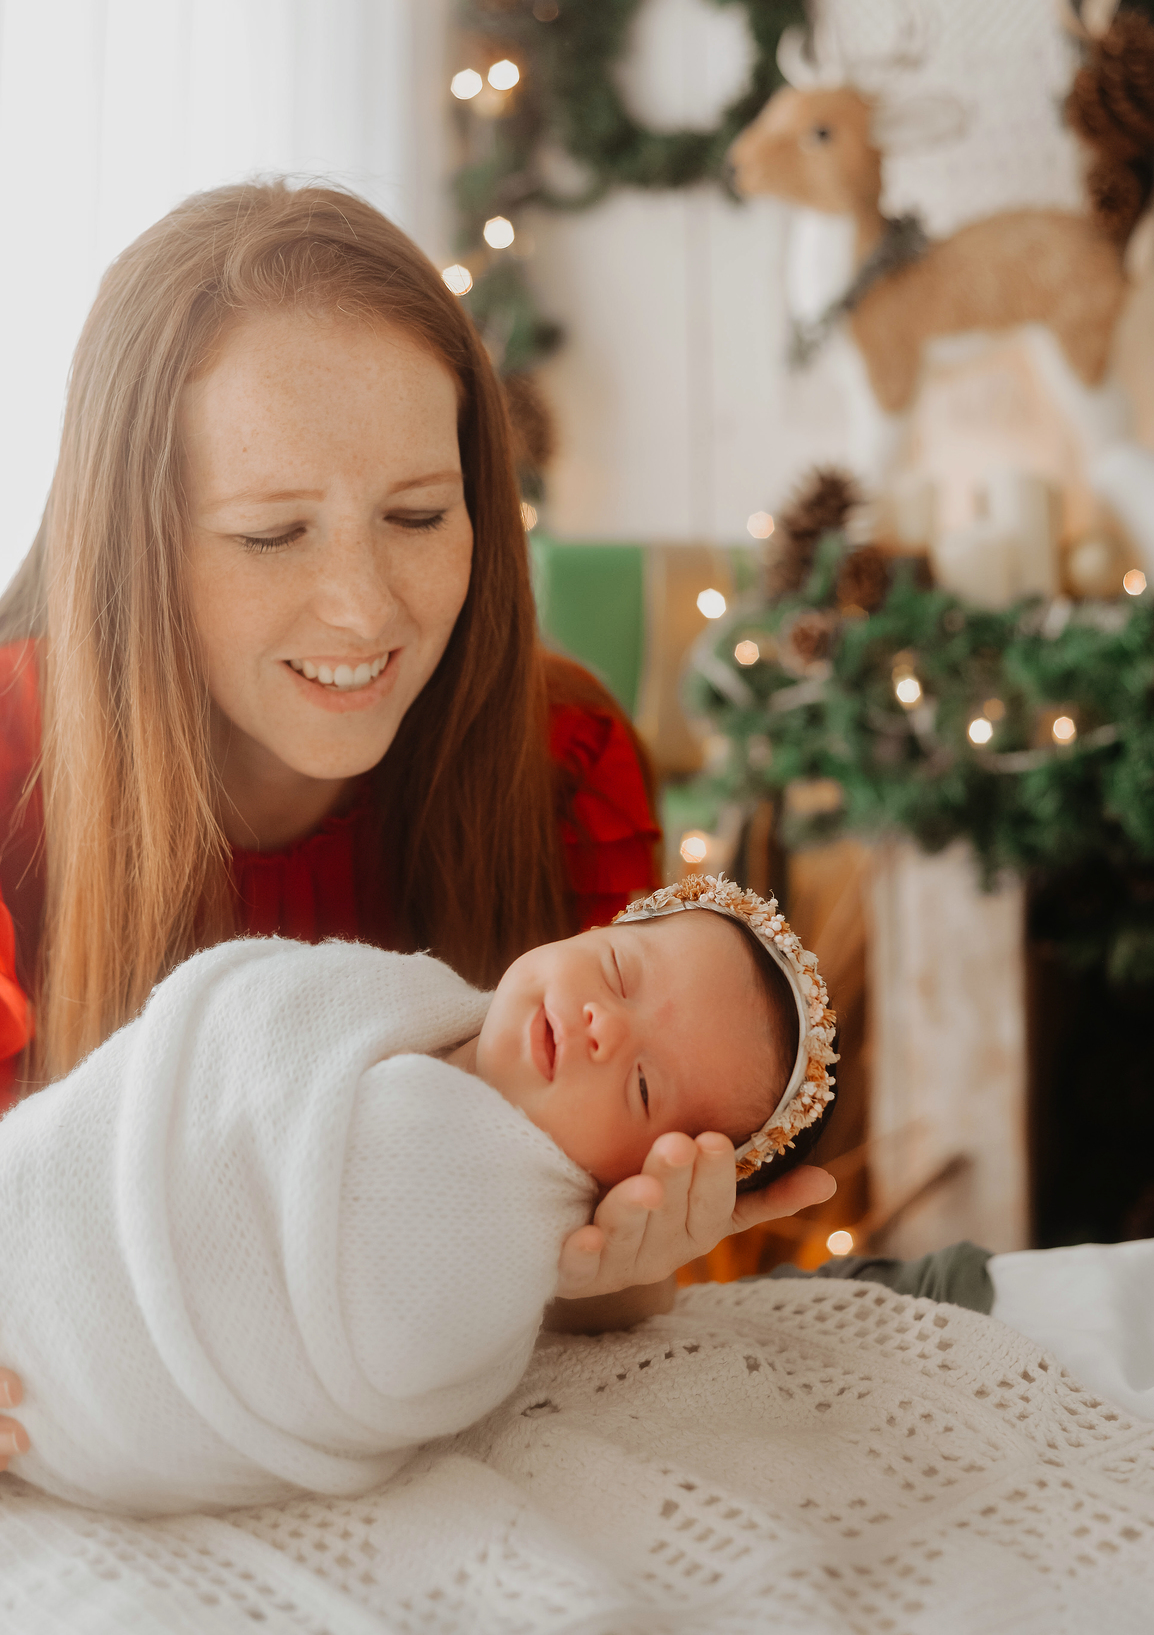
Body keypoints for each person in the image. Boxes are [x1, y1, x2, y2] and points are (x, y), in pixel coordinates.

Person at [0, 183, 836, 1473]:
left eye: (417, 516)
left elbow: (551, 1270)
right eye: (271, 532)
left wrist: (620, 1268)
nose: (363, 607)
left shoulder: (563, 761)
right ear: (131, 543)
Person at [1, 875, 837, 1514]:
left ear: (645, 1172)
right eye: (619, 971)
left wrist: (608, 1268)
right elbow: (183, 1062)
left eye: (644, 1086)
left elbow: (378, 1333)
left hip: (76, 1383)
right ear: (597, 928)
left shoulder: (487, 1239)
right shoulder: (407, 996)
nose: (604, 1026)